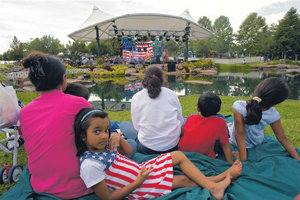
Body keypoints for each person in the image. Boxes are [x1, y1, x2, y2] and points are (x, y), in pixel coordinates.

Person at [75, 108, 243, 200]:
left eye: (105, 130)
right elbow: (108, 198)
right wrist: (139, 181)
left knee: (178, 156)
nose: (104, 135)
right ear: (83, 136)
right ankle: (220, 181)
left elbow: (128, 151)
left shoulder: (104, 145)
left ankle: (218, 182)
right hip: (139, 186)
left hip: (142, 170)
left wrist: (117, 136)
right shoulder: (90, 165)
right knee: (182, 180)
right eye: (97, 132)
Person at [229, 77, 300, 162]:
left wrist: (242, 158)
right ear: (276, 102)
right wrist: (297, 158)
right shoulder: (273, 114)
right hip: (256, 142)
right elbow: (282, 138)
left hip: (235, 142)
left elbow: (240, 134)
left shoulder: (239, 106)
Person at [121, 66, 184, 154]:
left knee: (124, 125)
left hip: (147, 147)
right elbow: (179, 119)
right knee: (184, 120)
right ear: (162, 81)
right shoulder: (172, 94)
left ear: (144, 81)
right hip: (172, 145)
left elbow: (137, 126)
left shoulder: (137, 97)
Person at [178, 92, 233, 163]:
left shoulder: (190, 118)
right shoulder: (221, 122)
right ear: (219, 109)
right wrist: (231, 163)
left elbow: (183, 134)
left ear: (198, 108)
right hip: (205, 156)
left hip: (182, 152)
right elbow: (225, 144)